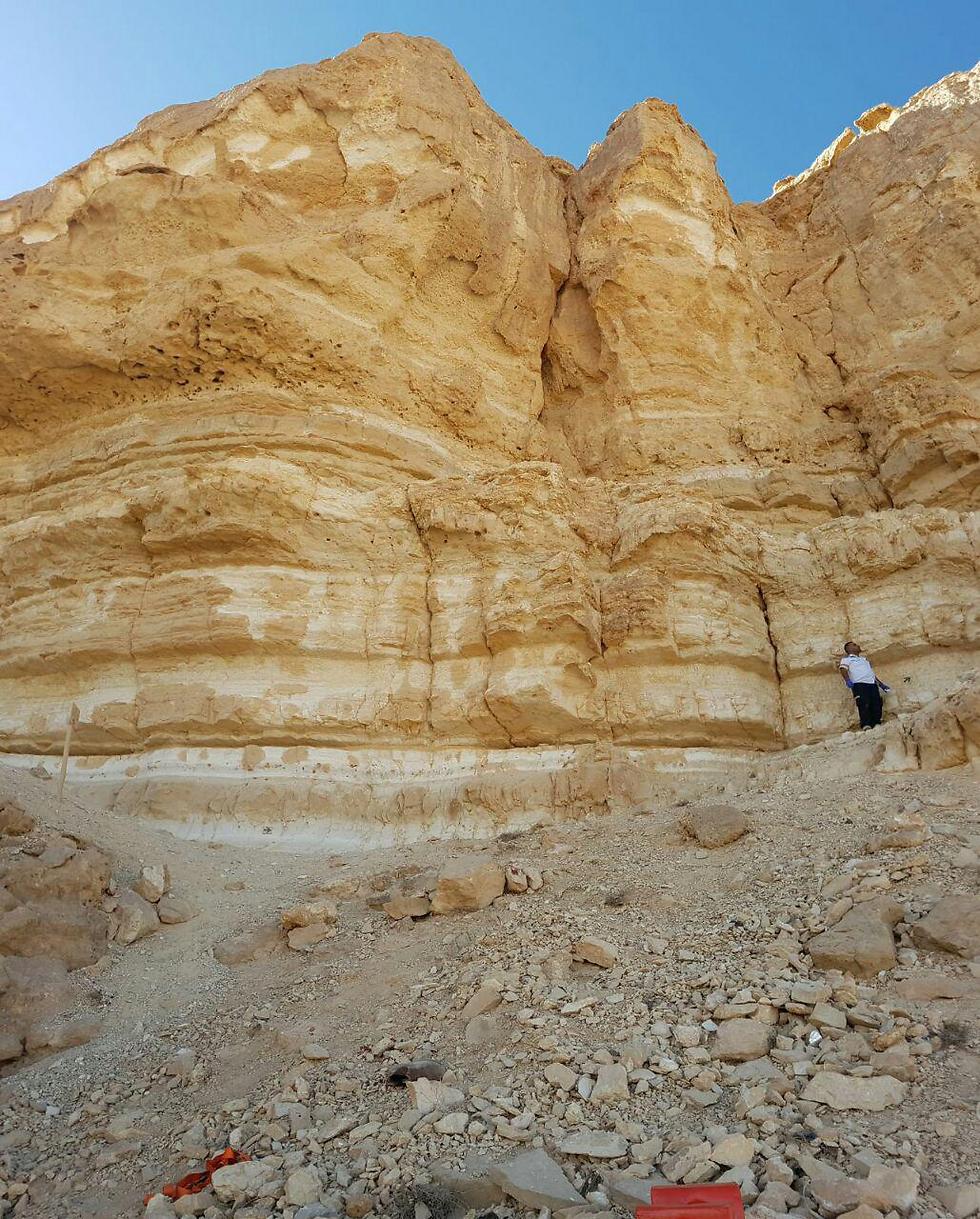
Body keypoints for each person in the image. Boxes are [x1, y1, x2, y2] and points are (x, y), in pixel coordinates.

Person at [838, 641, 888, 730]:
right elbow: (843, 669)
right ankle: (866, 724)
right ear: (849, 649)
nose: (858, 645)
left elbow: (871, 673)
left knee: (876, 703)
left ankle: (876, 723)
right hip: (859, 684)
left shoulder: (864, 660)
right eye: (854, 645)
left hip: (872, 683)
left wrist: (881, 684)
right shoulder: (846, 660)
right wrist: (848, 680)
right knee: (863, 703)